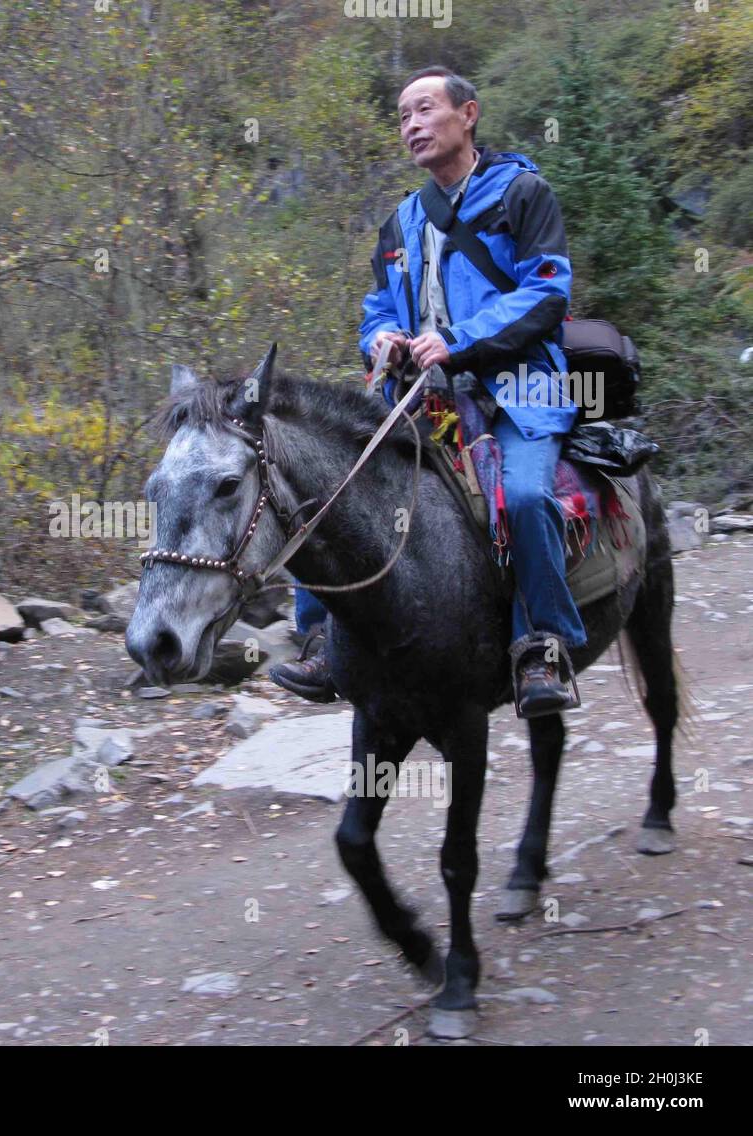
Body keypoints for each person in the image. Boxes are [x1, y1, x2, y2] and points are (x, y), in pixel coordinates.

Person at [270, 66, 585, 718]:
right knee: (326, 481)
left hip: (517, 386)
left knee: (525, 495)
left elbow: (547, 290)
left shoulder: (522, 193)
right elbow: (378, 309)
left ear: (468, 114)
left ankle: (542, 646)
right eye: (403, 116)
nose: (412, 125)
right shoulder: (401, 224)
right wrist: (381, 340)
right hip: (422, 398)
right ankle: (323, 642)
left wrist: (460, 340)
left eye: (424, 110)